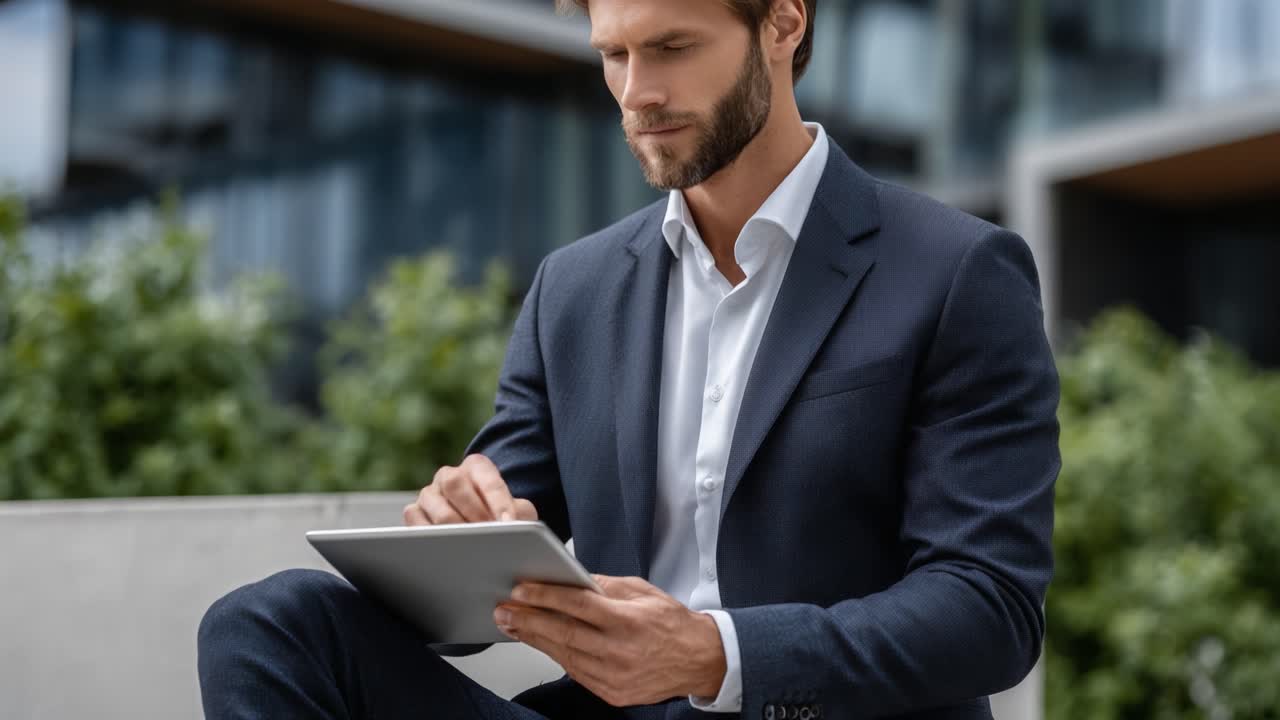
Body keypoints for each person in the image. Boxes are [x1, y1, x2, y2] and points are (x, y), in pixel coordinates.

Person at [197, 0, 1060, 718]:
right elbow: (475, 588)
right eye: (614, 54)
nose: (638, 92)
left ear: (783, 22)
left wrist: (716, 655)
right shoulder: (573, 290)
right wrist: (457, 534)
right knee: (268, 625)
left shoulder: (954, 272)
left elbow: (990, 606)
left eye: (672, 47)